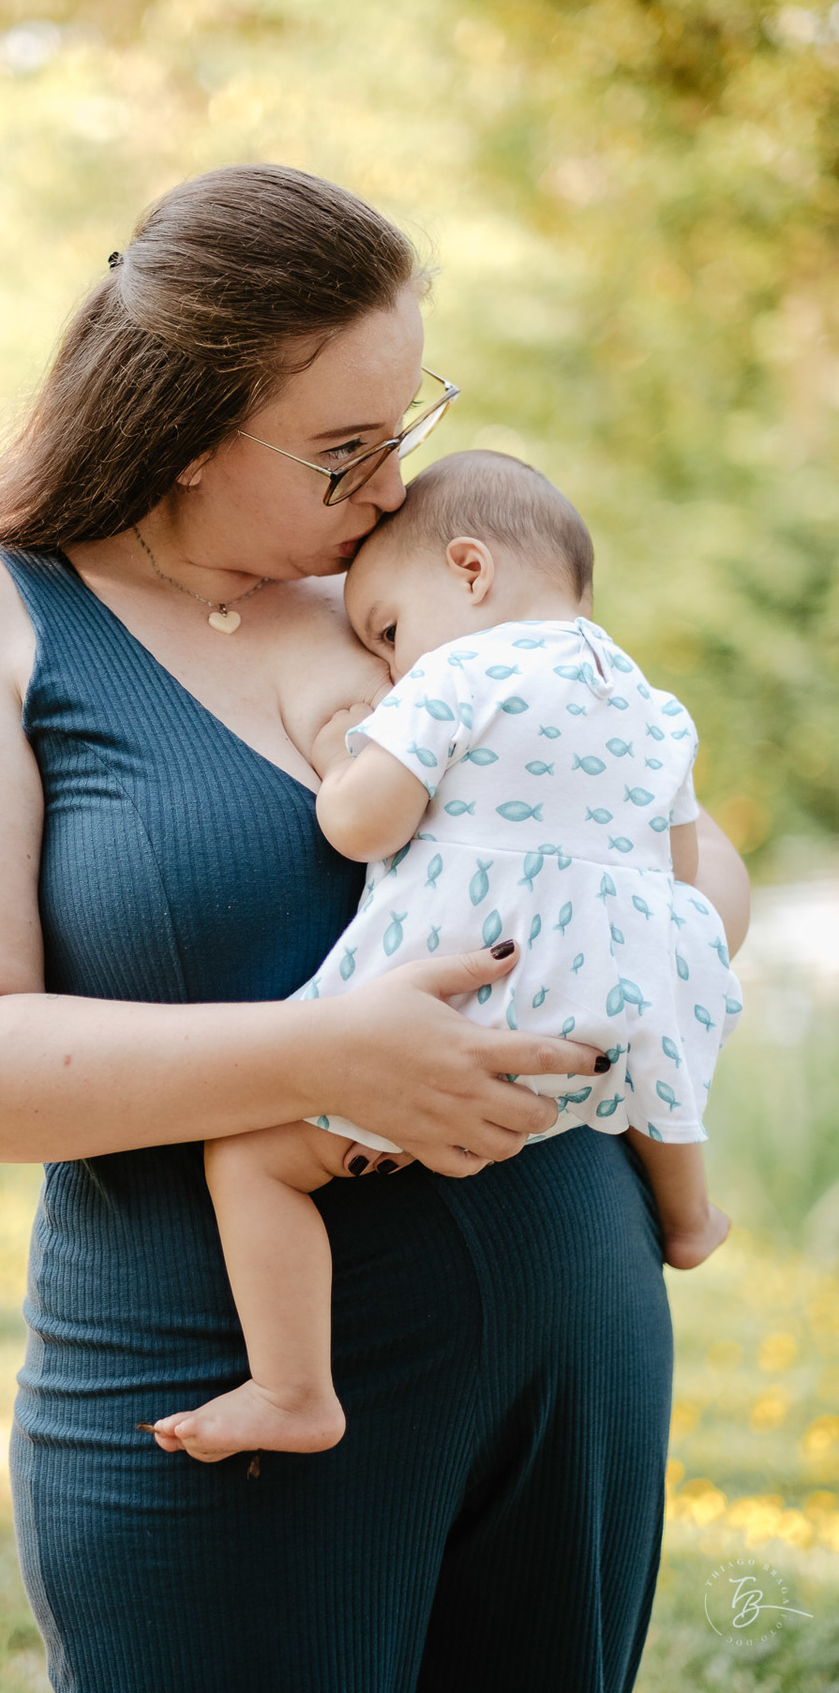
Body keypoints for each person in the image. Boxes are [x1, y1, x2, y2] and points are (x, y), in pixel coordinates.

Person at [0, 164, 751, 1693]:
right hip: (225, 1409)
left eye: (407, 429)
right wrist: (328, 1054)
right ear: (188, 437)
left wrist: (649, 960)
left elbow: (687, 858)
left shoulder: (406, 602)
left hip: (570, 1374)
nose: (394, 489)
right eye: (344, 451)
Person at [154, 450, 741, 1468]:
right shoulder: (654, 704)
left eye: (386, 629)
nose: (387, 661)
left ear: (470, 573)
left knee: (252, 1159)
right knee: (657, 1069)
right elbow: (680, 875)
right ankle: (691, 1217)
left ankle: (293, 1388)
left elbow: (361, 827)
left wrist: (356, 748)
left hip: (453, 1011)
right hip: (605, 1014)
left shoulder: (459, 672)